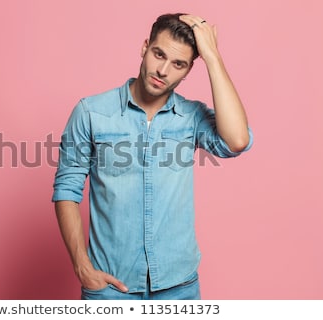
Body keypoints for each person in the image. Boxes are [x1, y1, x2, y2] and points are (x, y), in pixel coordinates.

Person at [52, 13, 253, 300]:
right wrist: (82, 267)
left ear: (187, 70)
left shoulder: (191, 117)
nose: (163, 70)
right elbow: (66, 189)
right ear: (145, 47)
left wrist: (212, 57)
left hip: (179, 288)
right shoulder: (91, 112)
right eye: (159, 54)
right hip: (110, 288)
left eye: (178, 64)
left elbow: (237, 140)